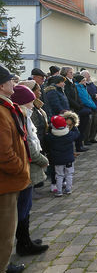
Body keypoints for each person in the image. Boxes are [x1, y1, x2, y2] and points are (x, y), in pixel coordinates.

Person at [10, 85, 49, 257]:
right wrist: (43, 160)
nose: (33, 105)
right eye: (30, 102)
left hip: (29, 166)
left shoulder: (25, 115)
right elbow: (29, 146)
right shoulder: (20, 118)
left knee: (26, 206)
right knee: (23, 207)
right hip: (27, 167)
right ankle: (24, 244)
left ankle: (26, 240)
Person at [0, 64, 30, 273]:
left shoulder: (7, 107)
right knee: (4, 233)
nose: (14, 82)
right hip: (5, 182)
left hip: (8, 181)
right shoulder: (1, 112)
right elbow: (4, 152)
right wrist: (21, 169)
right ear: (2, 85)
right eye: (10, 79)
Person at [45, 114, 80, 196]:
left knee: (59, 175)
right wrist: (74, 125)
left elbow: (46, 139)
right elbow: (77, 133)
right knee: (69, 174)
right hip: (69, 159)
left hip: (57, 160)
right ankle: (68, 189)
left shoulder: (50, 137)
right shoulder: (70, 135)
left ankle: (59, 191)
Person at [61, 67, 88, 152]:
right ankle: (77, 146)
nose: (72, 74)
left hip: (77, 107)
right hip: (71, 108)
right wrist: (77, 105)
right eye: (70, 73)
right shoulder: (65, 83)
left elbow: (77, 95)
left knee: (80, 127)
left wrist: (80, 104)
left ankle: (79, 144)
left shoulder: (72, 82)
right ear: (65, 74)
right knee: (74, 128)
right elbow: (68, 97)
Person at [74, 75, 97, 148]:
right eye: (83, 80)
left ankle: (83, 143)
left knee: (86, 126)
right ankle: (82, 143)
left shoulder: (83, 87)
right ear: (80, 81)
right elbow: (84, 99)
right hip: (84, 109)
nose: (85, 82)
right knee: (83, 127)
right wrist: (93, 106)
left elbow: (88, 97)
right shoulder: (78, 88)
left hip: (88, 108)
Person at [80, 70, 97, 144]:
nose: (89, 76)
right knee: (88, 124)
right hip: (88, 107)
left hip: (95, 105)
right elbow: (86, 96)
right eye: (88, 75)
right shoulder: (83, 85)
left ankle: (92, 137)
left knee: (95, 123)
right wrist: (94, 96)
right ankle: (86, 139)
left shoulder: (91, 84)